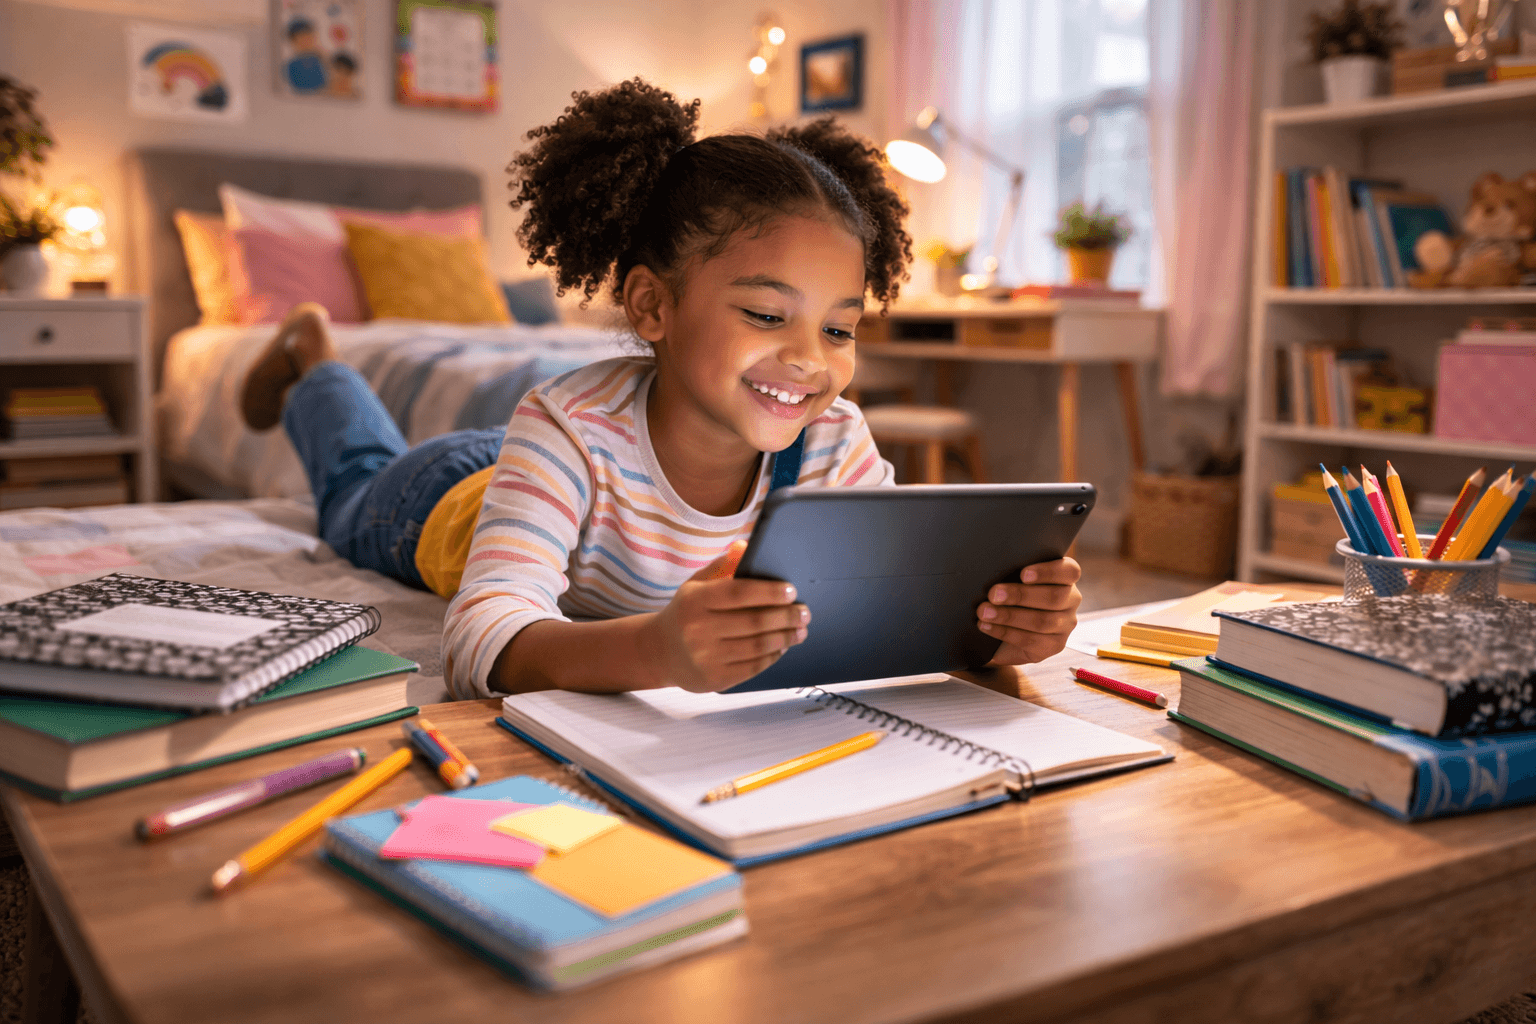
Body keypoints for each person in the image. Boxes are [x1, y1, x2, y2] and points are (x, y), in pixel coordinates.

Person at [239, 78, 1082, 702]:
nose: (809, 361)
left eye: (838, 328)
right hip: (450, 499)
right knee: (354, 483)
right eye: (764, 313)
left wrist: (995, 632)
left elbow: (887, 609)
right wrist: (657, 653)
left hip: (547, 482)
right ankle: (317, 360)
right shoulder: (564, 425)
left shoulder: (832, 440)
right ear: (652, 304)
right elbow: (475, 641)